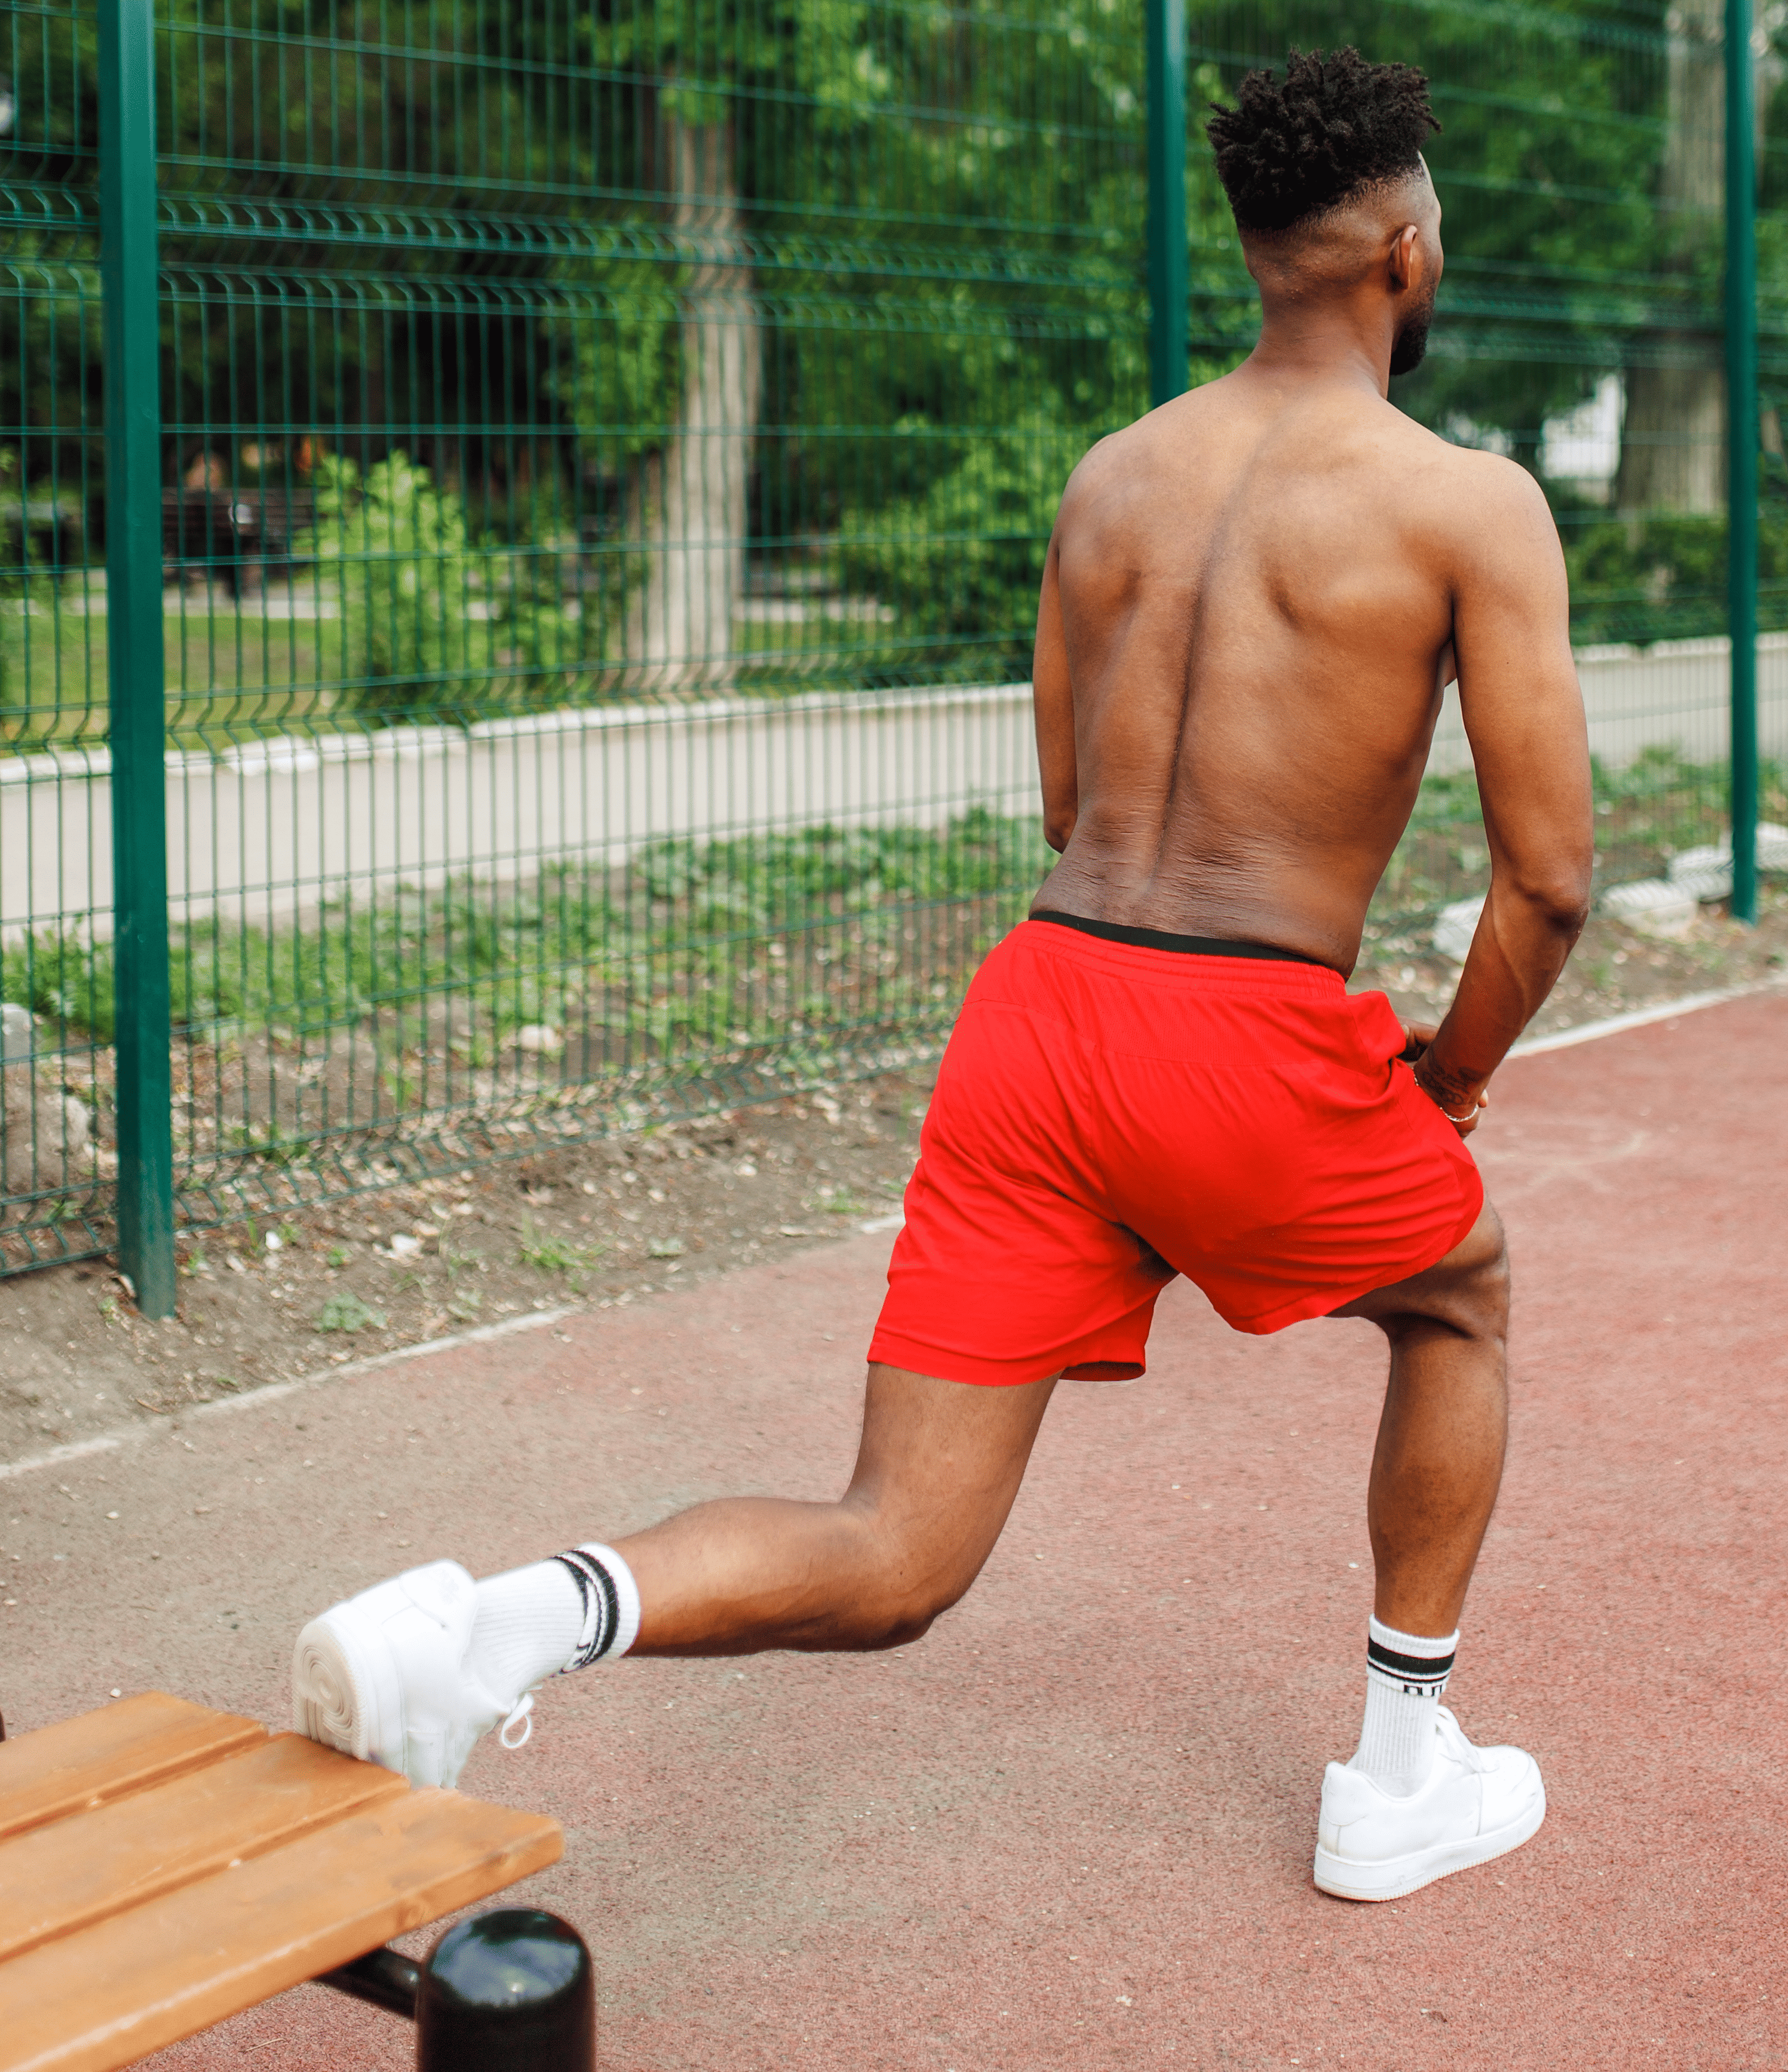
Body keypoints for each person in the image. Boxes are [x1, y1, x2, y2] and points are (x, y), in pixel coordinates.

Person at [291, 47, 1591, 1905]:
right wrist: (1449, 1075)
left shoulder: (1112, 477)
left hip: (1044, 1016)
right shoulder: (1471, 504)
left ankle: (500, 1624)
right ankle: (1400, 1774)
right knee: (1458, 1296)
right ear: (1402, 250)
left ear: (1256, 252)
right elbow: (1546, 883)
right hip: (1245, 1033)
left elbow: (1072, 803)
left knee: (894, 1546)